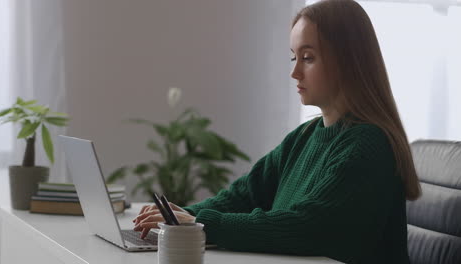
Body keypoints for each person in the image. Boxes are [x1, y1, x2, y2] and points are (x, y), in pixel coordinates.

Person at [132, 0, 422, 263]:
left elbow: (308, 227)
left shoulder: (369, 145)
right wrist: (180, 217)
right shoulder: (305, 135)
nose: (295, 72)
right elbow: (243, 195)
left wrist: (201, 224)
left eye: (307, 58)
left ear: (348, 60)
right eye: (293, 57)